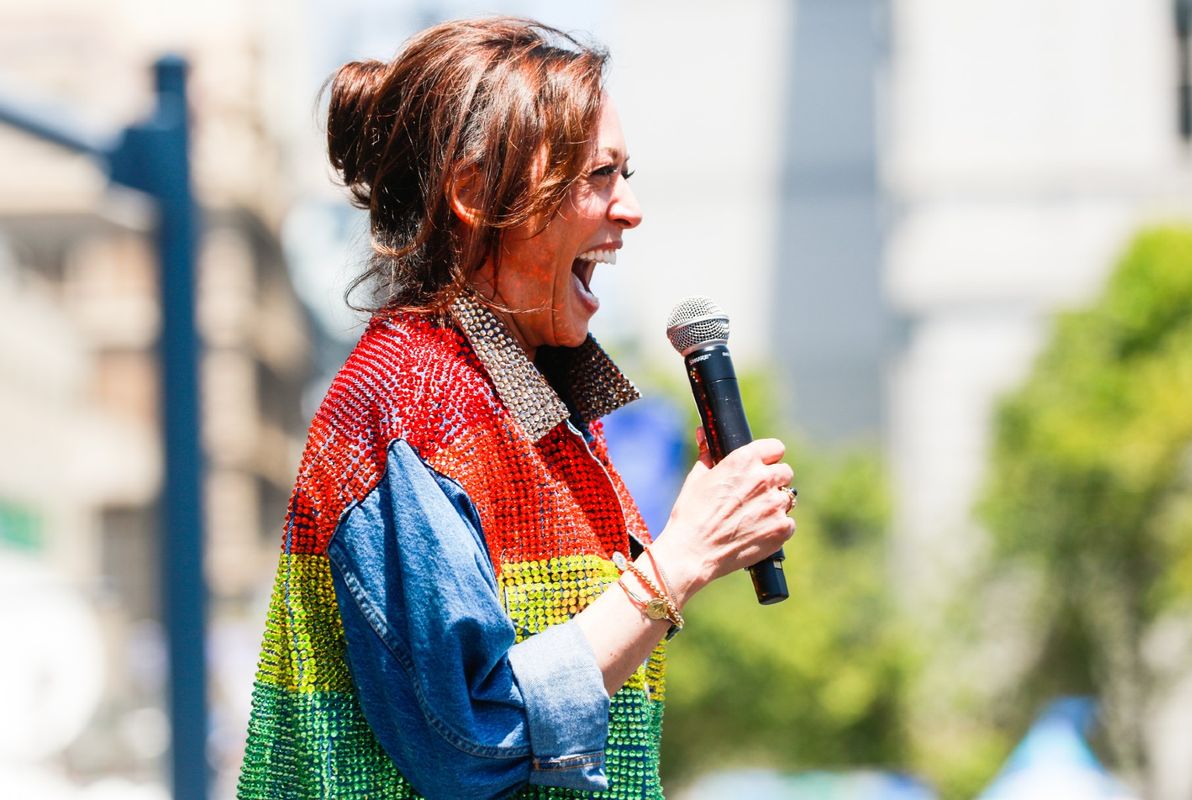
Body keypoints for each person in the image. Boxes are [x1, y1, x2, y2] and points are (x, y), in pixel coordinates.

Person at [238, 16, 795, 800]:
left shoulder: (531, 403)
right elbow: (471, 736)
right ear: (473, 195)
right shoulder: (409, 400)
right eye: (598, 176)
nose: (629, 209)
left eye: (626, 173)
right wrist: (681, 559)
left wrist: (693, 531)